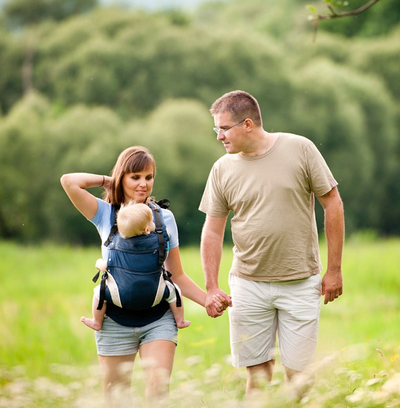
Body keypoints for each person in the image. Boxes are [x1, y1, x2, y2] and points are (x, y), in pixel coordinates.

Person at [199, 90, 345, 395]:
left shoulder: (300, 148)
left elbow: (332, 204)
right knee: (259, 379)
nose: (219, 137)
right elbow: (212, 230)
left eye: (224, 129)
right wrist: (211, 286)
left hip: (301, 282)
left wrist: (334, 270)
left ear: (248, 124)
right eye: (217, 129)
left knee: (300, 379)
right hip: (247, 285)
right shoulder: (222, 169)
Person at [61, 146, 218, 403]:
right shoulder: (104, 213)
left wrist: (207, 300)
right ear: (122, 177)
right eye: (135, 177)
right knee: (115, 398)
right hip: (113, 322)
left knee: (158, 394)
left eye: (148, 176)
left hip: (158, 319)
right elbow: (69, 182)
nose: (143, 184)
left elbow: (176, 275)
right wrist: (109, 181)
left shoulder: (164, 218)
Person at [81, 201, 191, 331]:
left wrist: (98, 263)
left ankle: (96, 322)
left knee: (99, 292)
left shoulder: (116, 248)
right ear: (146, 229)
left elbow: (104, 265)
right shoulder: (158, 242)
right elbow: (165, 231)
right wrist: (154, 227)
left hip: (120, 298)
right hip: (154, 295)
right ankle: (180, 320)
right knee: (174, 291)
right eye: (151, 222)